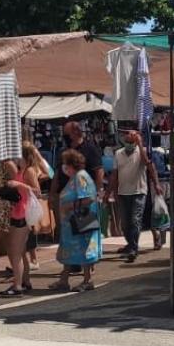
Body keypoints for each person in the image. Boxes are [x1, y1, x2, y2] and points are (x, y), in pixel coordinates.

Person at [107, 129, 158, 264]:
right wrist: (109, 192)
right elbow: (114, 175)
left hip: (139, 192)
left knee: (135, 220)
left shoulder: (142, 152)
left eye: (132, 141)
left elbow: (148, 164)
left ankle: (133, 248)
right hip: (123, 192)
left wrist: (140, 144)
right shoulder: (118, 154)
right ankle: (130, 244)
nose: (130, 143)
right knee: (125, 223)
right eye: (128, 141)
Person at [54, 148, 100, 292]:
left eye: (65, 164)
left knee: (83, 248)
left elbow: (88, 198)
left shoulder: (81, 177)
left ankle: (87, 280)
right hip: (71, 224)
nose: (63, 167)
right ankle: (64, 280)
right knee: (69, 249)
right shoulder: (74, 178)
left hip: (81, 219)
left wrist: (70, 206)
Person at [49, 121, 104, 233]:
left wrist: (99, 192)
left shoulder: (90, 149)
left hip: (81, 199)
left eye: (66, 134)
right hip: (65, 197)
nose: (65, 137)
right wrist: (52, 194)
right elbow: (57, 174)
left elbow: (99, 171)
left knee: (84, 233)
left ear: (75, 132)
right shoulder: (64, 151)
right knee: (66, 231)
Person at [0, 160, 36, 296]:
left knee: (15, 252)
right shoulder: (19, 171)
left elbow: (37, 191)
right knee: (20, 251)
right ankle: (25, 281)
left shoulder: (28, 171)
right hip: (17, 212)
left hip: (22, 213)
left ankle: (17, 286)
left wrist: (18, 184)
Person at [20, 141, 52, 266]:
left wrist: (22, 186)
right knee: (27, 231)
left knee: (29, 231)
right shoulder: (28, 169)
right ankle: (29, 260)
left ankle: (33, 260)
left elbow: (37, 191)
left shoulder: (29, 170)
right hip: (24, 203)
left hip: (28, 204)